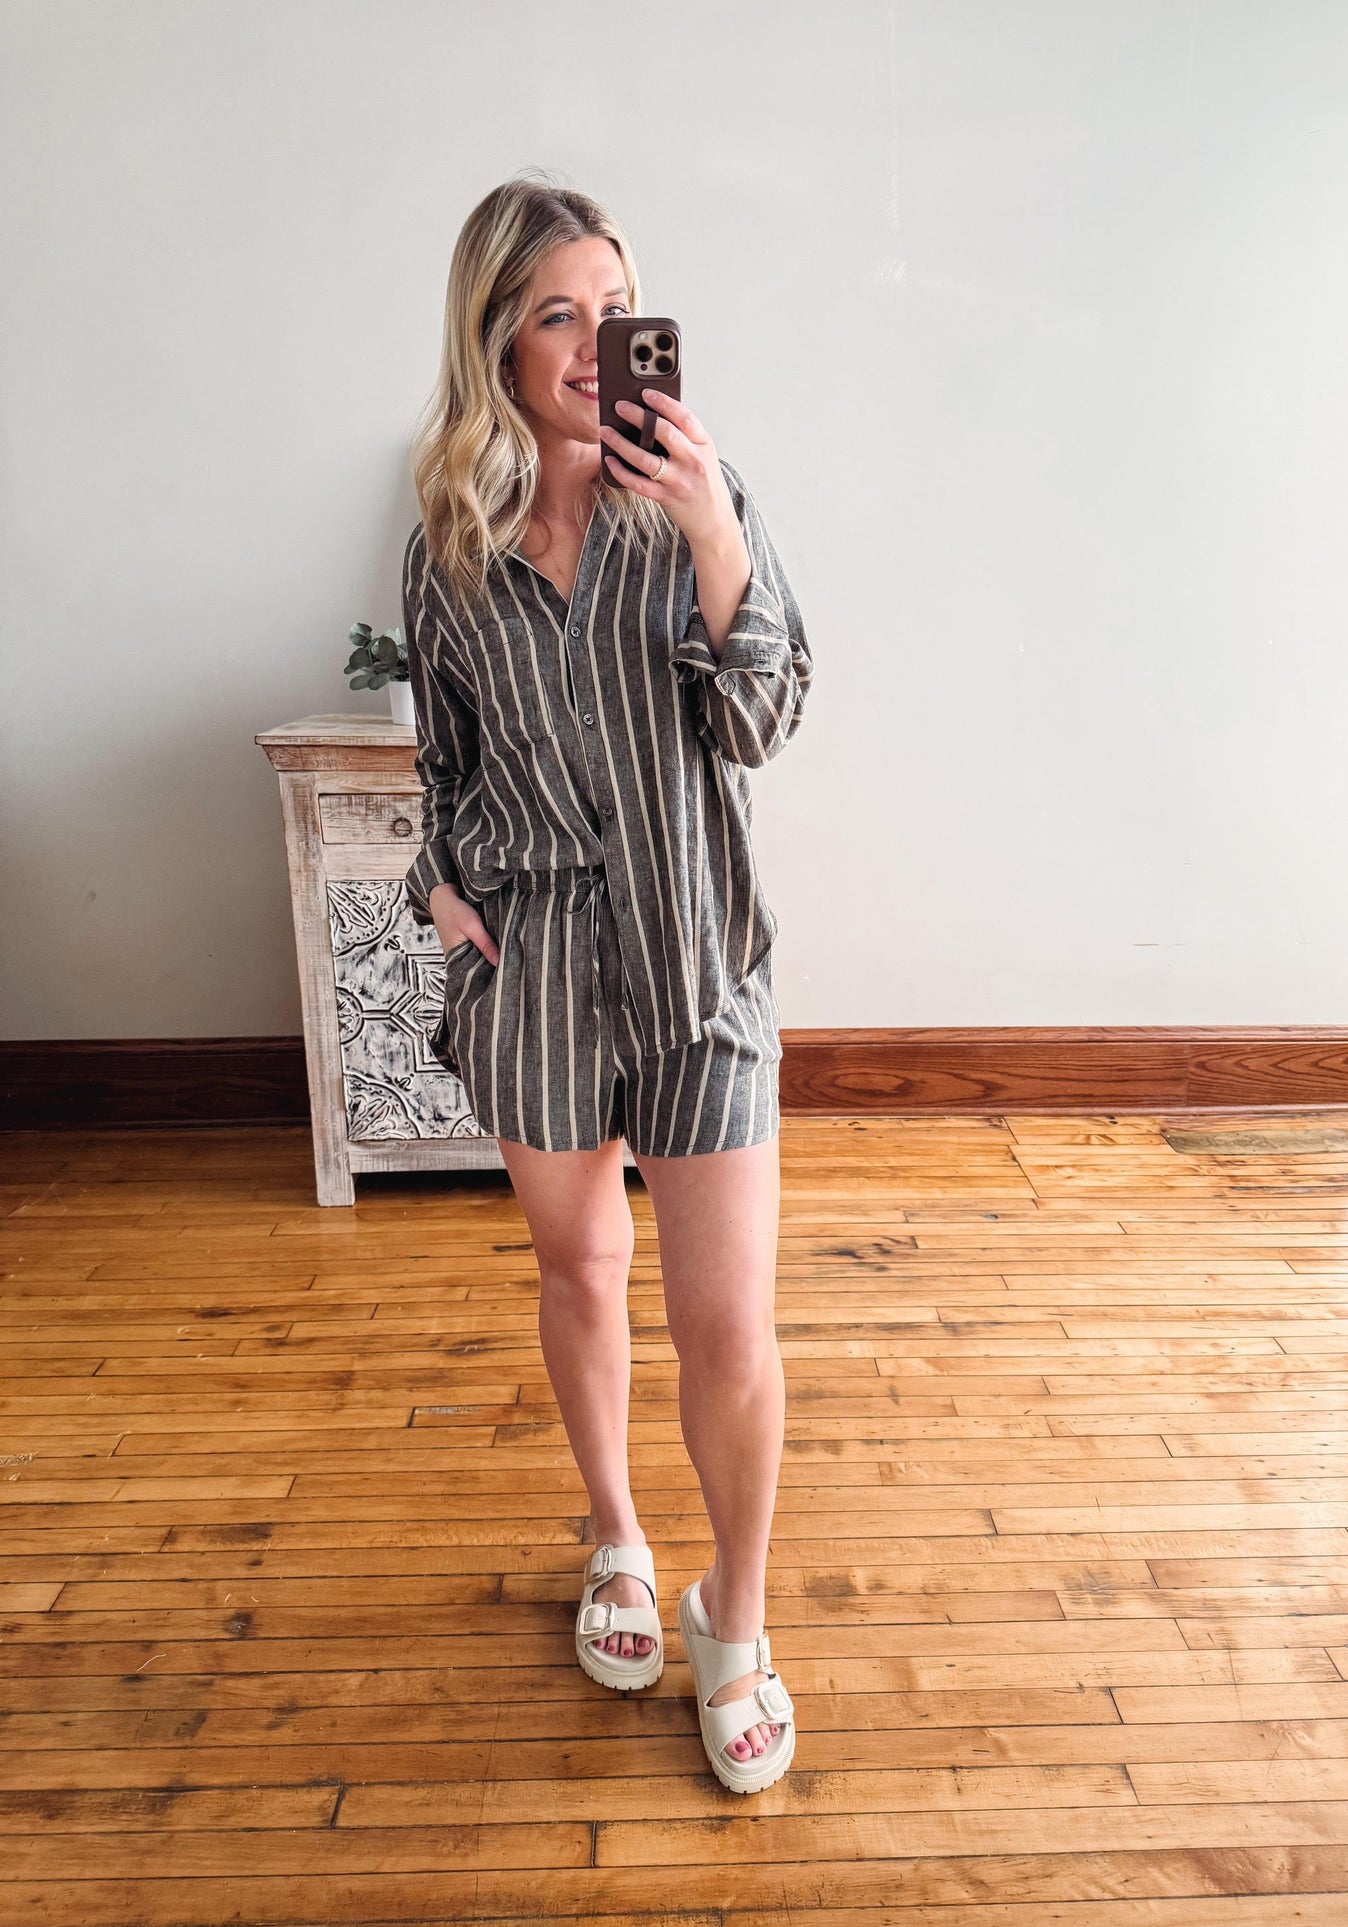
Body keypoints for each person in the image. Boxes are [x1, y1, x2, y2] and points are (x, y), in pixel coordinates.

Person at [401, 171, 812, 1794]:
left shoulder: (700, 496)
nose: (592, 346)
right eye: (555, 317)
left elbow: (763, 720)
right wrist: (444, 892)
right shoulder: (450, 539)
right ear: (496, 343)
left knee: (729, 1327)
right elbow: (445, 754)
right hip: (536, 967)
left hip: (697, 959)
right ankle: (618, 1539)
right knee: (579, 1271)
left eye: (614, 310)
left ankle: (737, 1618)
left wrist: (711, 530)